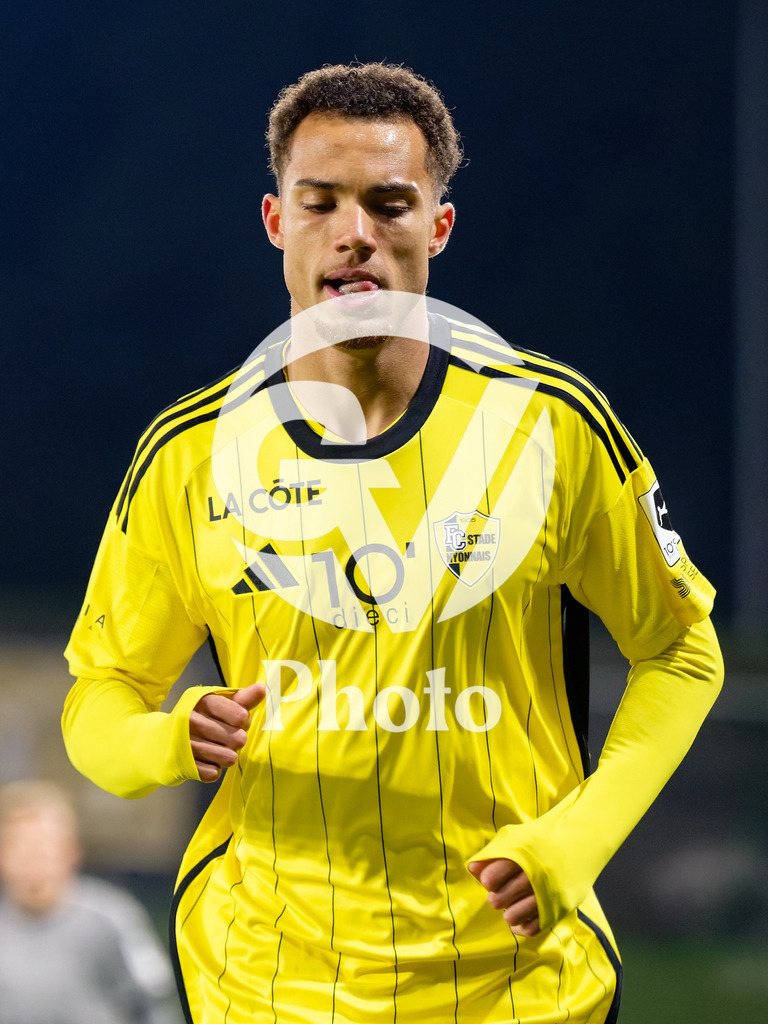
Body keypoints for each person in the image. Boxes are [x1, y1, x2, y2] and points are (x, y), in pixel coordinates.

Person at [62, 62, 723, 1024]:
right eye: (321, 202)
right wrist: (165, 738)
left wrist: (578, 842)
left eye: (390, 203)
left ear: (437, 229)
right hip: (265, 987)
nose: (355, 234)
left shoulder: (553, 427)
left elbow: (682, 652)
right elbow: (97, 701)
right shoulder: (189, 457)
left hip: (520, 989)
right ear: (277, 222)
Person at [0, 780, 181, 1024]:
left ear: (71, 852)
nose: (35, 863)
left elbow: (154, 1002)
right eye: (24, 851)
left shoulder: (112, 917)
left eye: (45, 850)